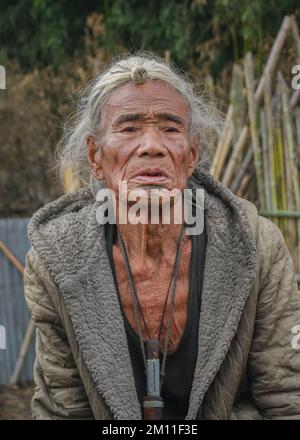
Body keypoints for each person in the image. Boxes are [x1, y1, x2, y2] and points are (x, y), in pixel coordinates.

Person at [24, 53, 300, 420]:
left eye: (170, 128)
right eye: (129, 128)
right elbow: (64, 409)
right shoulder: (57, 261)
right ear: (95, 156)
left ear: (191, 155)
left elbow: (287, 398)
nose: (152, 145)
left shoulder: (254, 245)